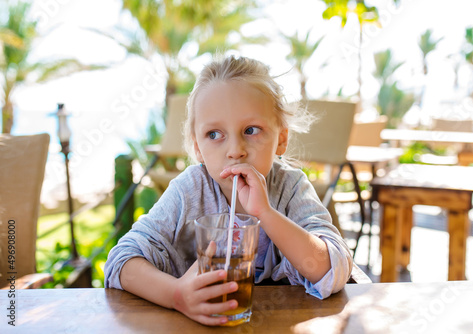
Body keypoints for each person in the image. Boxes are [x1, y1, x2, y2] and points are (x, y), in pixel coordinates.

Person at [104, 55, 353, 326]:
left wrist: (265, 213)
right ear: (197, 147)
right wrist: (176, 296)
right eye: (214, 134)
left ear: (281, 139)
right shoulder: (189, 191)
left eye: (251, 130)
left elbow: (334, 271)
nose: (235, 151)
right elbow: (121, 261)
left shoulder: (291, 188)